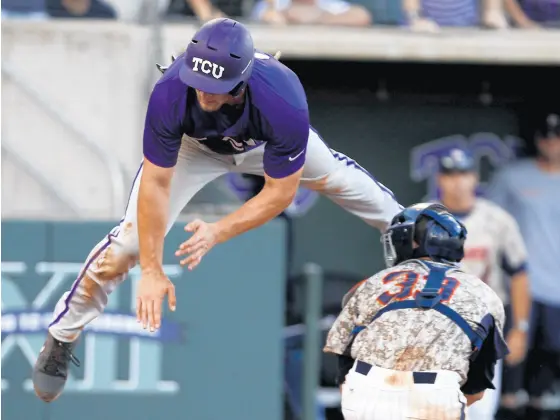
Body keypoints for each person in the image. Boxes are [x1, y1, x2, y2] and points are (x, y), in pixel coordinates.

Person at [32, 18, 403, 403]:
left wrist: (218, 230)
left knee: (339, 178)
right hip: (195, 149)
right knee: (126, 246)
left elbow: (278, 194)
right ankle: (62, 335)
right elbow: (157, 185)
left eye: (216, 87)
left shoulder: (282, 96)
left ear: (241, 81)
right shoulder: (172, 91)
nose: (205, 94)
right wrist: (153, 269)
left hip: (260, 145)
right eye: (199, 82)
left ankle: (412, 231)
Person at [324, 202, 509, 420]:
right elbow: (476, 392)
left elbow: (342, 367)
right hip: (435, 399)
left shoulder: (372, 283)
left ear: (408, 241)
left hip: (366, 393)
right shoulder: (484, 293)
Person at [435, 148, 531, 420]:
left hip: (484, 327)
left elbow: (520, 274)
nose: (457, 181)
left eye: (463, 173)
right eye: (450, 174)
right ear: (440, 179)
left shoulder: (497, 220)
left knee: (479, 411)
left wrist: (520, 328)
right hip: (437, 327)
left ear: (475, 178)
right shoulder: (422, 217)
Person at [487, 111, 560, 420]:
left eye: (558, 136)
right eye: (546, 136)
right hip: (521, 285)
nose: (552, 143)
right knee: (513, 361)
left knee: (549, 365)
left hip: (559, 288)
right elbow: (489, 224)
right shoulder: (512, 177)